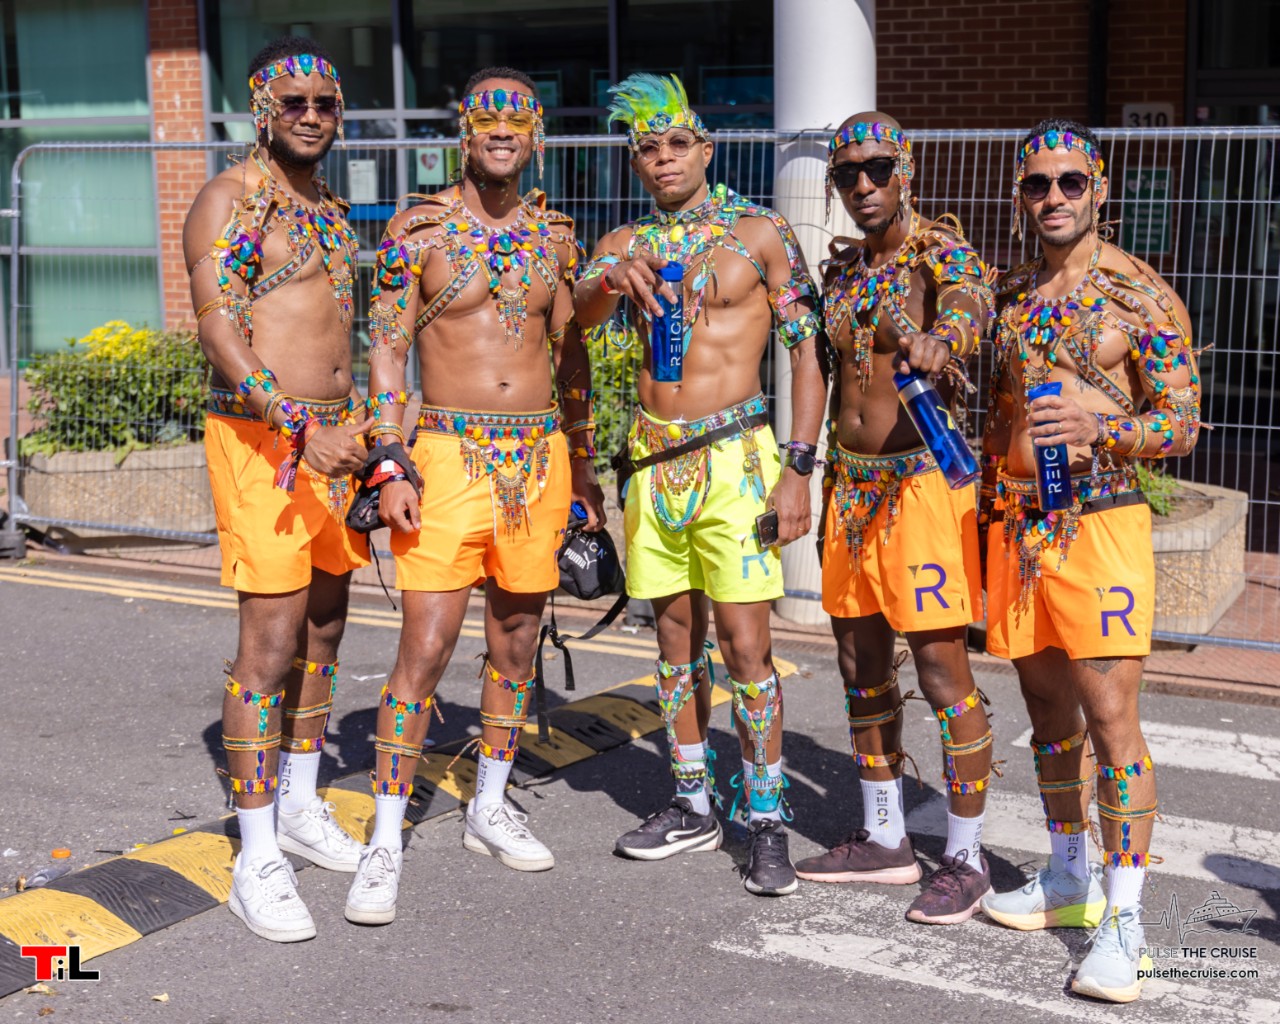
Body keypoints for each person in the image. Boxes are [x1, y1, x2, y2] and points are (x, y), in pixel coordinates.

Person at [344, 67, 606, 925]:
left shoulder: (556, 240)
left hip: (538, 458)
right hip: (446, 455)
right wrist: (388, 457)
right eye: (487, 117)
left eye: (517, 119)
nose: (501, 130)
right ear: (465, 130)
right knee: (424, 648)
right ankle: (386, 838)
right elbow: (387, 347)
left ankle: (489, 804)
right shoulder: (417, 229)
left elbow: (571, 358)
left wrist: (586, 466)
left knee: (518, 642)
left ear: (535, 136)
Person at [575, 74, 826, 896]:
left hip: (736, 461)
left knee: (748, 649)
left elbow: (808, 351)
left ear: (706, 149)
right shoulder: (624, 243)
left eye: (677, 143)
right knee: (673, 646)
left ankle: (767, 819)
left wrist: (798, 468)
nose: (663, 159)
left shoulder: (758, 233)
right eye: (647, 148)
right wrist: (612, 278)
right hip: (653, 465)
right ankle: (692, 804)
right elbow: (573, 317)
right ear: (635, 163)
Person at [978, 118, 1201, 1003]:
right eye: (1038, 184)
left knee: (1111, 720)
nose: (1054, 197)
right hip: (1019, 530)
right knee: (1046, 711)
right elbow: (1000, 409)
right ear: (1021, 195)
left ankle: (1127, 919)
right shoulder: (1011, 292)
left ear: (1099, 190)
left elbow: (1181, 423)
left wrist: (1102, 425)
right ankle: (1068, 874)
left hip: (1102, 524)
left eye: (1071, 181)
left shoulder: (1141, 296)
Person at [184, 37, 371, 942]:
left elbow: (343, 334)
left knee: (326, 625)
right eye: (292, 102)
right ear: (262, 110)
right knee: (270, 639)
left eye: (324, 103)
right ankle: (255, 854)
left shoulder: (330, 209)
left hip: (337, 445)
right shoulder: (229, 198)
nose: (310, 116)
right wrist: (299, 427)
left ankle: (299, 799)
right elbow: (218, 323)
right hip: (266, 442)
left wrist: (370, 433)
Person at [792, 114, 997, 925]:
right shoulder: (843, 273)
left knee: (942, 671)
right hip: (852, 487)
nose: (863, 185)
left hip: (920, 487)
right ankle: (885, 838)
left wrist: (945, 336)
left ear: (904, 171)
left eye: (878, 168)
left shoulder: (938, 253)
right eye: (848, 174)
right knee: (858, 662)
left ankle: (966, 857)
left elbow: (974, 299)